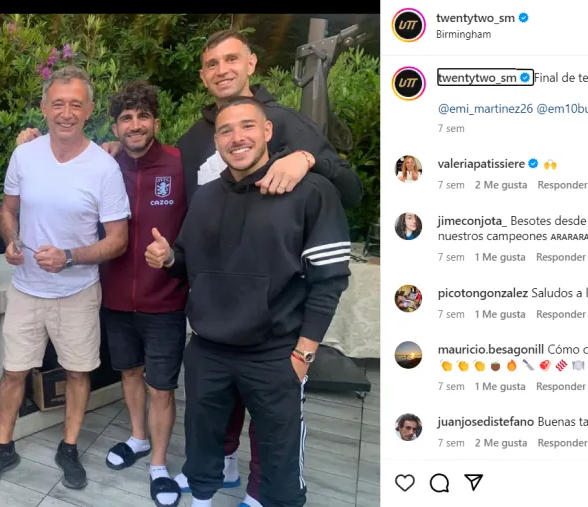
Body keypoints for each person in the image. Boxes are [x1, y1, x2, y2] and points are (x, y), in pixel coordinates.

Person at [18, 29, 365, 507]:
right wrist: (35, 143)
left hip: (241, 322)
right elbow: (189, 228)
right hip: (182, 317)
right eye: (213, 64)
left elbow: (346, 195)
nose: (235, 137)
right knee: (195, 408)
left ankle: (260, 491)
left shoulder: (282, 133)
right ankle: (201, 470)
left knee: (270, 425)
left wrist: (307, 158)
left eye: (231, 59)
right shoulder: (156, 155)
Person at [145, 96, 351, 507]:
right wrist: (169, 258)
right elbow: (190, 265)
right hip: (208, 349)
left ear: (268, 132)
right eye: (225, 130)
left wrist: (304, 353)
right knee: (202, 443)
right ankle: (202, 497)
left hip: (275, 353)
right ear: (217, 141)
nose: (237, 137)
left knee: (279, 457)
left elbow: (329, 280)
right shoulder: (205, 197)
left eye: (247, 126)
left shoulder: (310, 192)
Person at [19, 81, 189, 506]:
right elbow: (60, 167)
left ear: (156, 121)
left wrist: (178, 258)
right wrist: (32, 140)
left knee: (162, 388)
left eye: (143, 116)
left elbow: (202, 225)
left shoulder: (179, 165)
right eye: (126, 118)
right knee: (129, 373)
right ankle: (137, 439)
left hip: (164, 296)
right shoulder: (105, 161)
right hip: (114, 295)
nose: (135, 125)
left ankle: (160, 465)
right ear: (114, 124)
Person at [0, 65, 131, 491]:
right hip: (26, 289)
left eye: (76, 104)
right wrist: (11, 239)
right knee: (13, 373)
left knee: (78, 373)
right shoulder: (25, 154)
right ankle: (3, 448)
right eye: (58, 103)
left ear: (89, 110)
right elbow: (7, 210)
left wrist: (69, 257)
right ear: (44, 108)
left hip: (78, 292)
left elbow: (118, 239)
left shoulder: (103, 168)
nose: (67, 112)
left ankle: (69, 446)